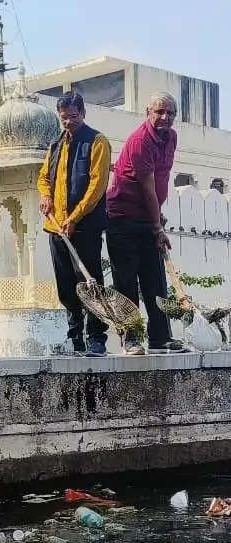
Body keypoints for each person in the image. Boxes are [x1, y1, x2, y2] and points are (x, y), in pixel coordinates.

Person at [107, 92, 189, 355]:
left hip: (147, 216)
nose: (165, 118)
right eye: (160, 112)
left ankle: (160, 337)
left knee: (156, 280)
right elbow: (147, 187)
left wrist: (157, 217)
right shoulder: (141, 140)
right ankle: (130, 339)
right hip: (123, 218)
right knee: (127, 282)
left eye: (171, 113)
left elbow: (161, 181)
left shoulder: (171, 138)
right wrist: (158, 227)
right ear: (148, 113)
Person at [38, 91, 112, 357]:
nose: (68, 122)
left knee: (90, 283)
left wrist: (74, 218)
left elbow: (97, 186)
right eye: (64, 117)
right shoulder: (56, 144)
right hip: (56, 228)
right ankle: (74, 338)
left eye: (73, 116)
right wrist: (46, 197)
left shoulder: (97, 141)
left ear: (83, 113)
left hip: (84, 227)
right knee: (66, 286)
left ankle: (96, 338)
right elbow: (44, 177)